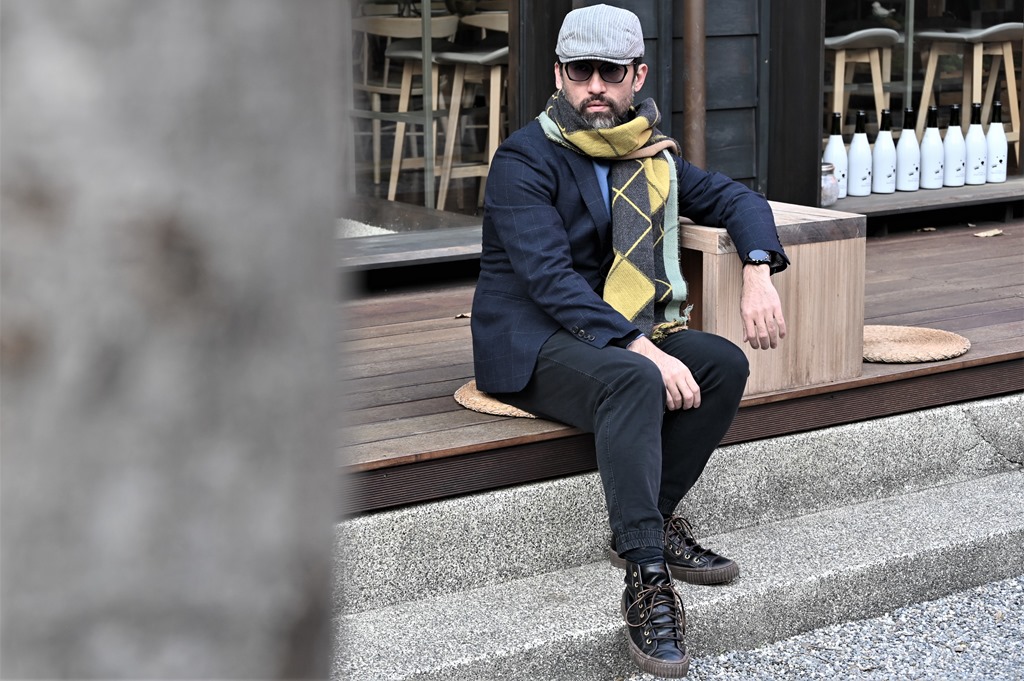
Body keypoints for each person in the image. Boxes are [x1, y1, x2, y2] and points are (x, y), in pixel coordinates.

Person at [469, 4, 788, 677]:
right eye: (580, 71)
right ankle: (646, 576)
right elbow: (550, 281)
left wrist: (757, 270)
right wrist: (641, 347)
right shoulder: (524, 159)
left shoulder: (650, 155)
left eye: (609, 72)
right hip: (533, 339)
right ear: (559, 74)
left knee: (723, 363)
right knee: (637, 375)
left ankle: (651, 517)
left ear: (636, 77)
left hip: (609, 332)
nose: (594, 86)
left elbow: (738, 200)